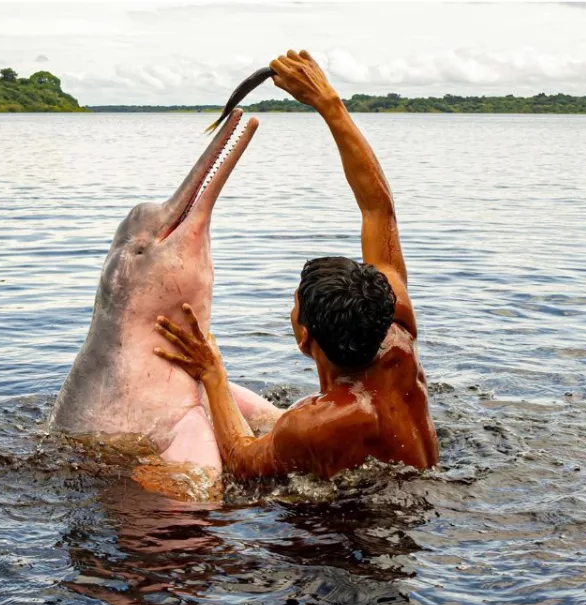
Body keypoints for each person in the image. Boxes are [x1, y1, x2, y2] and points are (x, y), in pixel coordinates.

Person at [153, 50, 438, 480]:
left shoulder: (313, 424)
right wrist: (329, 103)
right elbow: (378, 209)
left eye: (295, 305)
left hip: (352, 540)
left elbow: (243, 460)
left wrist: (213, 373)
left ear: (304, 335)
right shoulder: (398, 335)